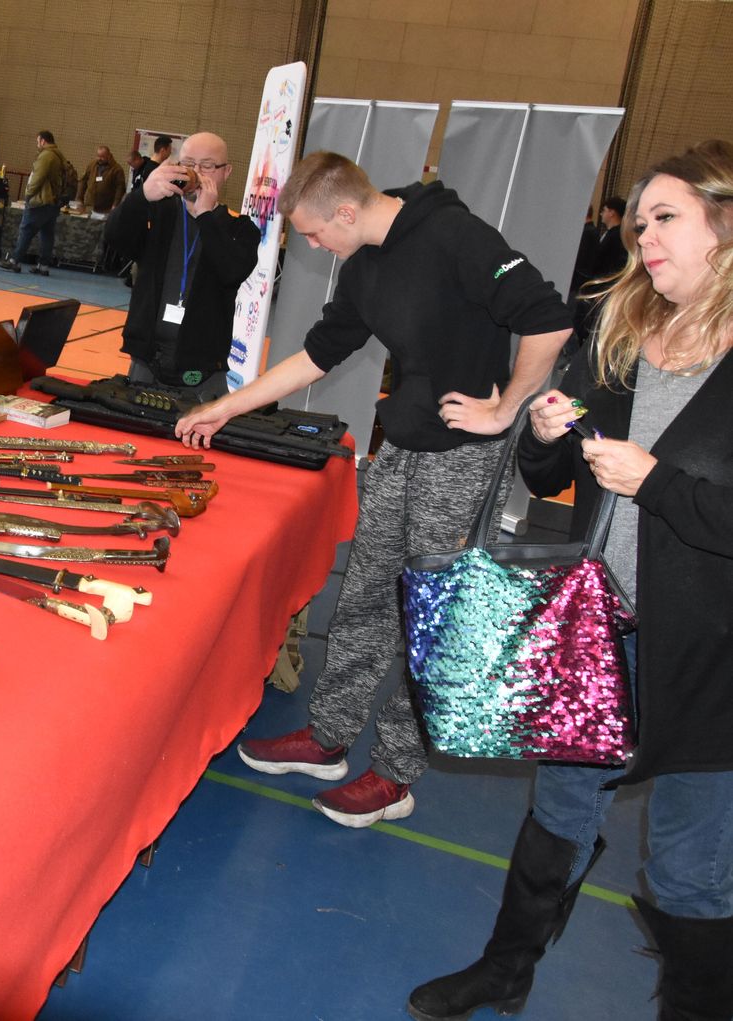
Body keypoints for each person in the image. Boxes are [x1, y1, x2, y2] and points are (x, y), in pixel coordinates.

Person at [407, 139, 733, 1021]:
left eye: (665, 218)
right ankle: (505, 972)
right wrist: (546, 433)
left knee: (690, 867)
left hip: (711, 662)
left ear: (725, 224)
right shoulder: (623, 332)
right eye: (639, 223)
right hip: (599, 631)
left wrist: (657, 482)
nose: (643, 237)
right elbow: (550, 474)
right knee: (558, 813)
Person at [177, 151, 574, 826]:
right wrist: (227, 408)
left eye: (313, 233)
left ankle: (395, 773)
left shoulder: (456, 236)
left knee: (434, 620)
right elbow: (317, 353)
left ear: (345, 211)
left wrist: (504, 409)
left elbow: (549, 320)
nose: (312, 247)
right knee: (364, 597)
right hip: (405, 448)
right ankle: (329, 736)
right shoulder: (364, 265)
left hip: (464, 459)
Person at [101, 132, 258, 399]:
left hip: (204, 369)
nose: (196, 172)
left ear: (226, 172)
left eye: (207, 165)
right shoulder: (158, 212)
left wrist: (206, 215)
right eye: (188, 164)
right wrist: (141, 196)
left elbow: (232, 271)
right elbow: (114, 239)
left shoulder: (239, 228)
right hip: (146, 361)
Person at [0, 129, 66, 276]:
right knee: (47, 234)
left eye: (37, 141)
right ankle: (43, 266)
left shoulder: (46, 156)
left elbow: (37, 178)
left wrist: (28, 195)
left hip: (40, 201)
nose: (37, 144)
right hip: (53, 202)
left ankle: (15, 261)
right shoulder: (58, 156)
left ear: (43, 140)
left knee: (26, 230)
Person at [77, 144, 127, 213]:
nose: (99, 159)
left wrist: (115, 205)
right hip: (90, 204)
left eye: (102, 157)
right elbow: (83, 181)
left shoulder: (117, 169)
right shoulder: (92, 165)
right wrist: (79, 198)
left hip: (107, 207)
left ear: (108, 156)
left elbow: (120, 188)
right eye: (98, 156)